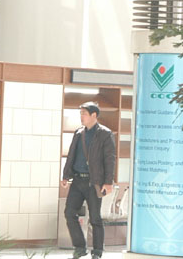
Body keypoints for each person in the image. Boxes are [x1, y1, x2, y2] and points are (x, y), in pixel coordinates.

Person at [62, 101, 116, 259]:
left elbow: (110, 159)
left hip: (94, 182)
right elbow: (71, 155)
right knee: (69, 213)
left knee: (95, 218)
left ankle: (97, 251)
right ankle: (80, 247)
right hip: (77, 180)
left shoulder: (105, 133)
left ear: (94, 115)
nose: (81, 117)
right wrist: (66, 175)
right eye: (80, 113)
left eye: (84, 114)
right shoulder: (79, 133)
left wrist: (108, 182)